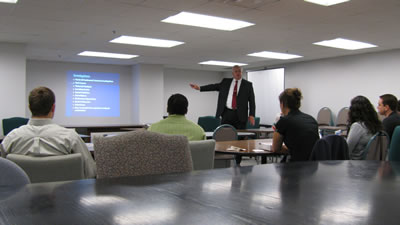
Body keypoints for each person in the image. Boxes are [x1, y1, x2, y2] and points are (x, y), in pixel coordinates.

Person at [1, 87, 96, 178]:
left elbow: (3, 172)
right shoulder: (71, 138)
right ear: (53, 108)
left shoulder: (11, 138)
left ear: (30, 107)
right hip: (64, 194)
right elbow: (90, 172)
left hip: (21, 194)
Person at [190, 65, 255, 129]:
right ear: (233, 73)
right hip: (227, 113)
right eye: (236, 71)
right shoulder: (225, 82)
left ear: (241, 72)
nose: (238, 73)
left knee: (241, 136)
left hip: (241, 114)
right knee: (225, 133)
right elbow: (214, 86)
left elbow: (252, 101)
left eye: (239, 71)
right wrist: (200, 88)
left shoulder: (248, 85)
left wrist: (252, 115)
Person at [271, 88, 319, 161]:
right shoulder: (311, 119)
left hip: (296, 166)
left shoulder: (284, 121)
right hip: (313, 165)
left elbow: (275, 149)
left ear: (282, 104)